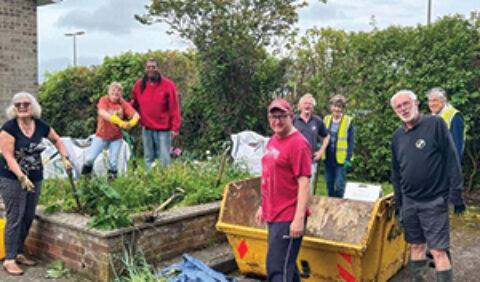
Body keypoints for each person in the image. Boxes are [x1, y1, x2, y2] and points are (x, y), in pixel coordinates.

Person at [390, 90, 465, 282]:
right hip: (410, 202)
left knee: (438, 251)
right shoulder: (397, 136)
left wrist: (456, 193)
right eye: (398, 106)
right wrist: (399, 204)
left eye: (406, 103)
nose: (403, 109)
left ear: (416, 103)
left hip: (434, 200)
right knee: (415, 246)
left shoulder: (435, 124)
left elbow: (451, 158)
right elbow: (396, 172)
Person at [0, 92, 73, 275]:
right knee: (15, 216)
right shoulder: (9, 128)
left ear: (33, 107)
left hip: (35, 175)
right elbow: (8, 156)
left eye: (26, 104)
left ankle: (18, 252)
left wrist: (64, 156)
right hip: (12, 177)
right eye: (18, 105)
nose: (22, 107)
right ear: (14, 108)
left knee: (28, 215)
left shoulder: (40, 125)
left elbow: (57, 140)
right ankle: (9, 260)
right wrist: (21, 177)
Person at [255, 98, 311, 282]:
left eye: (282, 116)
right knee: (288, 266)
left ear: (291, 117)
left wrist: (298, 219)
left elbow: (304, 183)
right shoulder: (273, 140)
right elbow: (271, 177)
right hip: (273, 214)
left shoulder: (298, 144)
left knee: (277, 269)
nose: (277, 121)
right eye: (273, 116)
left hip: (288, 216)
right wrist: (263, 206)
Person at [130, 58, 181, 168]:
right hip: (147, 128)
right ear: (145, 69)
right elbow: (133, 104)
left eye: (153, 67)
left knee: (164, 157)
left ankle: (165, 180)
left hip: (164, 129)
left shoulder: (168, 85)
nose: (151, 69)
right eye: (148, 67)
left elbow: (174, 107)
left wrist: (175, 128)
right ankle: (150, 179)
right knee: (148, 157)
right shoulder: (139, 85)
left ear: (158, 69)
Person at [81, 82, 139, 178]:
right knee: (89, 159)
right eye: (113, 89)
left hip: (116, 138)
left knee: (113, 163)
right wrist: (118, 121)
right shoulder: (104, 100)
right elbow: (102, 112)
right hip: (102, 135)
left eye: (119, 90)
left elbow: (136, 115)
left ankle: (112, 182)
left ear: (121, 93)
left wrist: (131, 122)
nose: (116, 91)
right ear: (108, 91)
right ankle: (85, 179)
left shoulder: (122, 103)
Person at [293, 94, 330, 194]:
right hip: (294, 160)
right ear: (300, 106)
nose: (307, 106)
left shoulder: (317, 121)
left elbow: (326, 136)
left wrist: (321, 151)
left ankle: (306, 208)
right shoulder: (293, 120)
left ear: (313, 107)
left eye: (310, 104)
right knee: (293, 188)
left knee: (307, 189)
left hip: (310, 161)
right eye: (305, 103)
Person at [322, 95, 354, 198]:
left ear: (342, 108)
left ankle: (339, 204)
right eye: (335, 106)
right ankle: (331, 203)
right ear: (331, 107)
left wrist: (348, 157)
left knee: (340, 185)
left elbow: (351, 140)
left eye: (339, 107)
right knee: (329, 184)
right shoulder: (326, 119)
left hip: (341, 158)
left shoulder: (348, 121)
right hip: (328, 157)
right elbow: (322, 136)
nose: (337, 109)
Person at [427, 87, 464, 161]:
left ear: (444, 101)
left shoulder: (454, 116)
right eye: (429, 101)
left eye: (434, 100)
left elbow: (457, 146)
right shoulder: (431, 117)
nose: (431, 104)